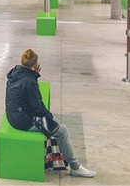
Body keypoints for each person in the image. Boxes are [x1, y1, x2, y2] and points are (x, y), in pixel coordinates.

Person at [5, 49, 96, 178]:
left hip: (14, 116)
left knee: (55, 124)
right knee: (62, 130)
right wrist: (50, 118)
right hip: (23, 121)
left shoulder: (16, 74)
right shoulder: (29, 81)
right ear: (35, 64)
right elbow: (38, 106)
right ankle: (75, 166)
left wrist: (33, 75)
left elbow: (27, 96)